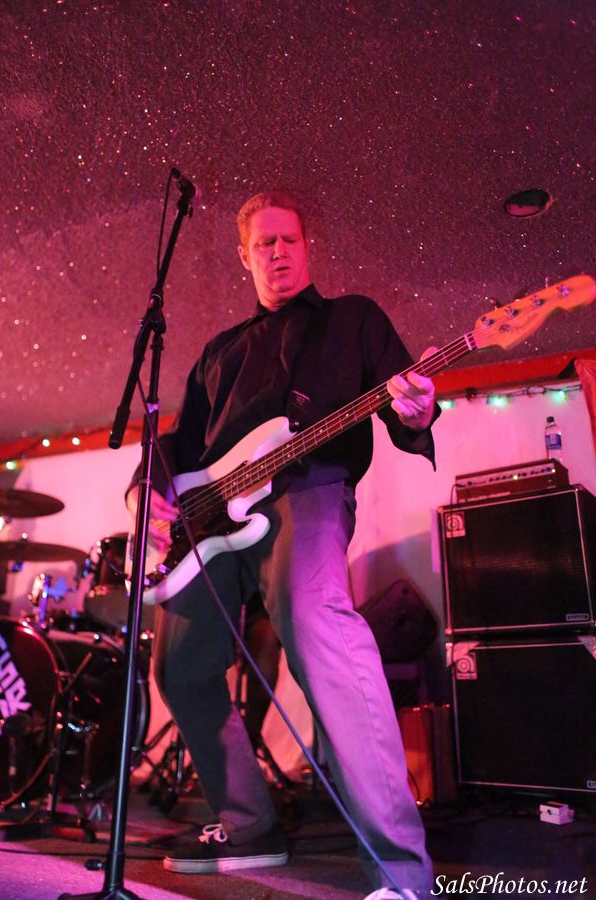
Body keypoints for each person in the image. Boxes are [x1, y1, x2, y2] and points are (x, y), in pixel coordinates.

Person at [126, 190, 439, 900]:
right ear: (245, 256)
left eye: (289, 240)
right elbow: (178, 443)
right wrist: (149, 489)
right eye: (263, 243)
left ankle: (400, 873)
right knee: (179, 664)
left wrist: (418, 412)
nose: (278, 252)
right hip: (211, 521)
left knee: (315, 623)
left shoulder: (353, 319)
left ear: (307, 247)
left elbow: (405, 402)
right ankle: (249, 824)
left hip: (307, 489)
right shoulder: (217, 354)